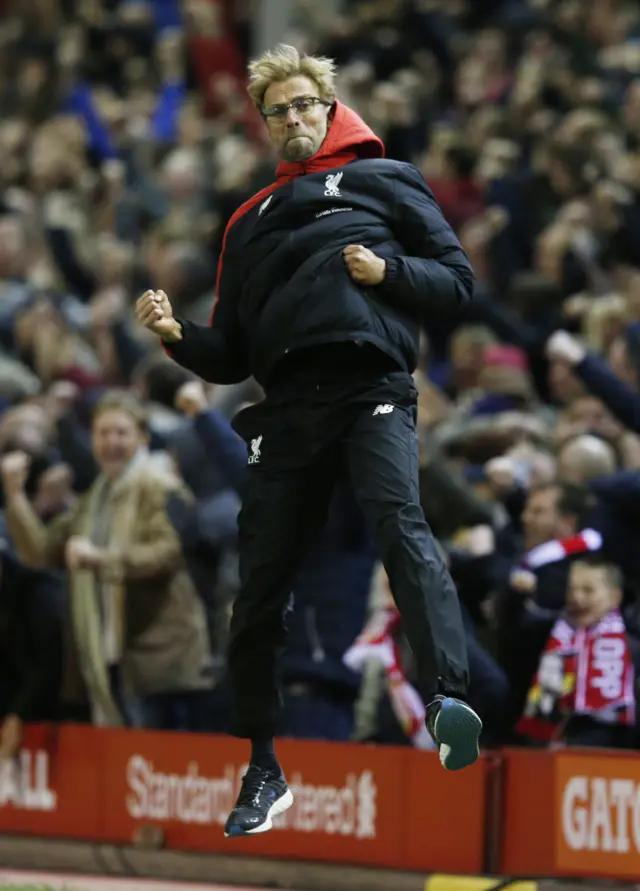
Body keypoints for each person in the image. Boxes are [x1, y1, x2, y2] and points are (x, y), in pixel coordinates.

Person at [135, 44, 482, 837]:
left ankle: (448, 696)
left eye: (304, 106)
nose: (293, 120)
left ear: (329, 110)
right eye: (277, 111)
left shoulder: (385, 180)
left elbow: (456, 281)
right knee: (257, 587)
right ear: (263, 124)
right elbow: (231, 353)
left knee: (402, 523)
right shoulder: (246, 220)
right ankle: (262, 767)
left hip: (371, 389)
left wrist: (385, 272)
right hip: (287, 405)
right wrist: (175, 334)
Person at [0, 391, 213, 731]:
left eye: (121, 432)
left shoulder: (161, 486)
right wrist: (15, 496)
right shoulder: (95, 496)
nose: (111, 442)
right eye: (103, 433)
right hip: (112, 659)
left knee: (160, 773)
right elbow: (40, 552)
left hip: (162, 664)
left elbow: (165, 554)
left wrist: (102, 559)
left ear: (142, 437)